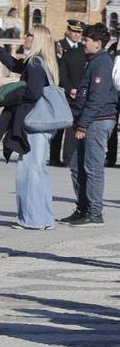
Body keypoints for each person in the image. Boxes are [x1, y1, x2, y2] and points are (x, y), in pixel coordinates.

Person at [0, 25, 58, 230]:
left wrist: (10, 95)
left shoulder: (35, 63)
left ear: (37, 39)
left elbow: (33, 93)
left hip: (34, 123)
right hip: (43, 123)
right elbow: (18, 66)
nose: (25, 37)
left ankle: (32, 219)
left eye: (29, 35)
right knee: (39, 170)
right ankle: (44, 218)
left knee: (28, 171)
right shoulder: (42, 62)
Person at [63, 22, 115, 226]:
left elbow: (98, 97)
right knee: (76, 165)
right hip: (89, 119)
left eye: (87, 40)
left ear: (98, 43)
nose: (84, 43)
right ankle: (82, 207)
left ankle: (95, 212)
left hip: (98, 120)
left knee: (92, 167)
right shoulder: (92, 60)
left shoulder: (102, 62)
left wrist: (83, 125)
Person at [50, 19, 87, 168]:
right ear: (68, 31)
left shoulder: (82, 48)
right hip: (62, 91)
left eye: (79, 32)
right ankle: (53, 157)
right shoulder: (58, 45)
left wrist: (78, 89)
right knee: (58, 126)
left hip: (77, 93)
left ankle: (68, 158)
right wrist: (69, 88)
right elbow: (58, 71)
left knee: (72, 127)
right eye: (74, 31)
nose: (77, 35)